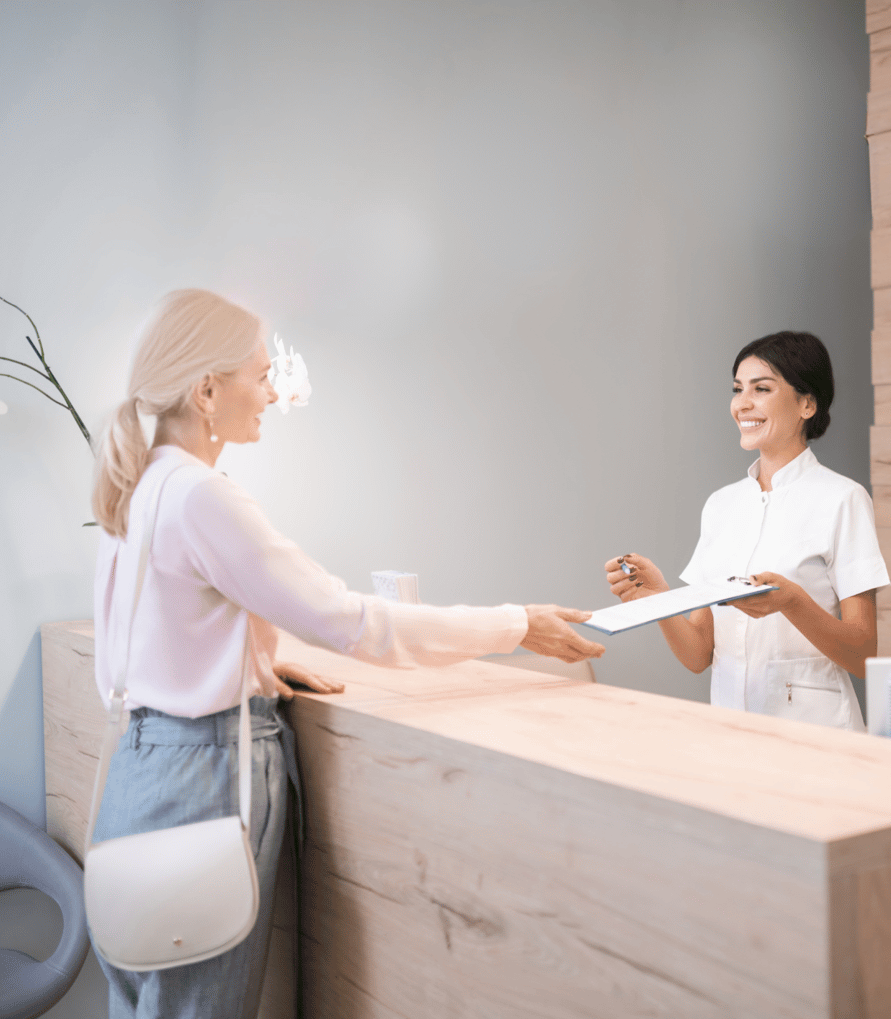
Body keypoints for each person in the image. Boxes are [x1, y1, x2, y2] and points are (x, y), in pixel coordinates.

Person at [89, 288, 604, 1019]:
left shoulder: (135, 486)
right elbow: (358, 624)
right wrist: (517, 623)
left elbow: (135, 645)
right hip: (202, 779)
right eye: (259, 375)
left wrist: (254, 663)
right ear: (207, 391)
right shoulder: (203, 496)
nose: (270, 393)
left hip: (140, 775)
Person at [603, 330, 888, 731]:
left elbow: (864, 653)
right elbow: (699, 655)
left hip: (816, 733)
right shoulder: (721, 505)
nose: (743, 404)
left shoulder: (843, 499)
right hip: (731, 731)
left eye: (762, 388)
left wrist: (791, 602)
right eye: (738, 389)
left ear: (807, 403)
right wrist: (657, 598)